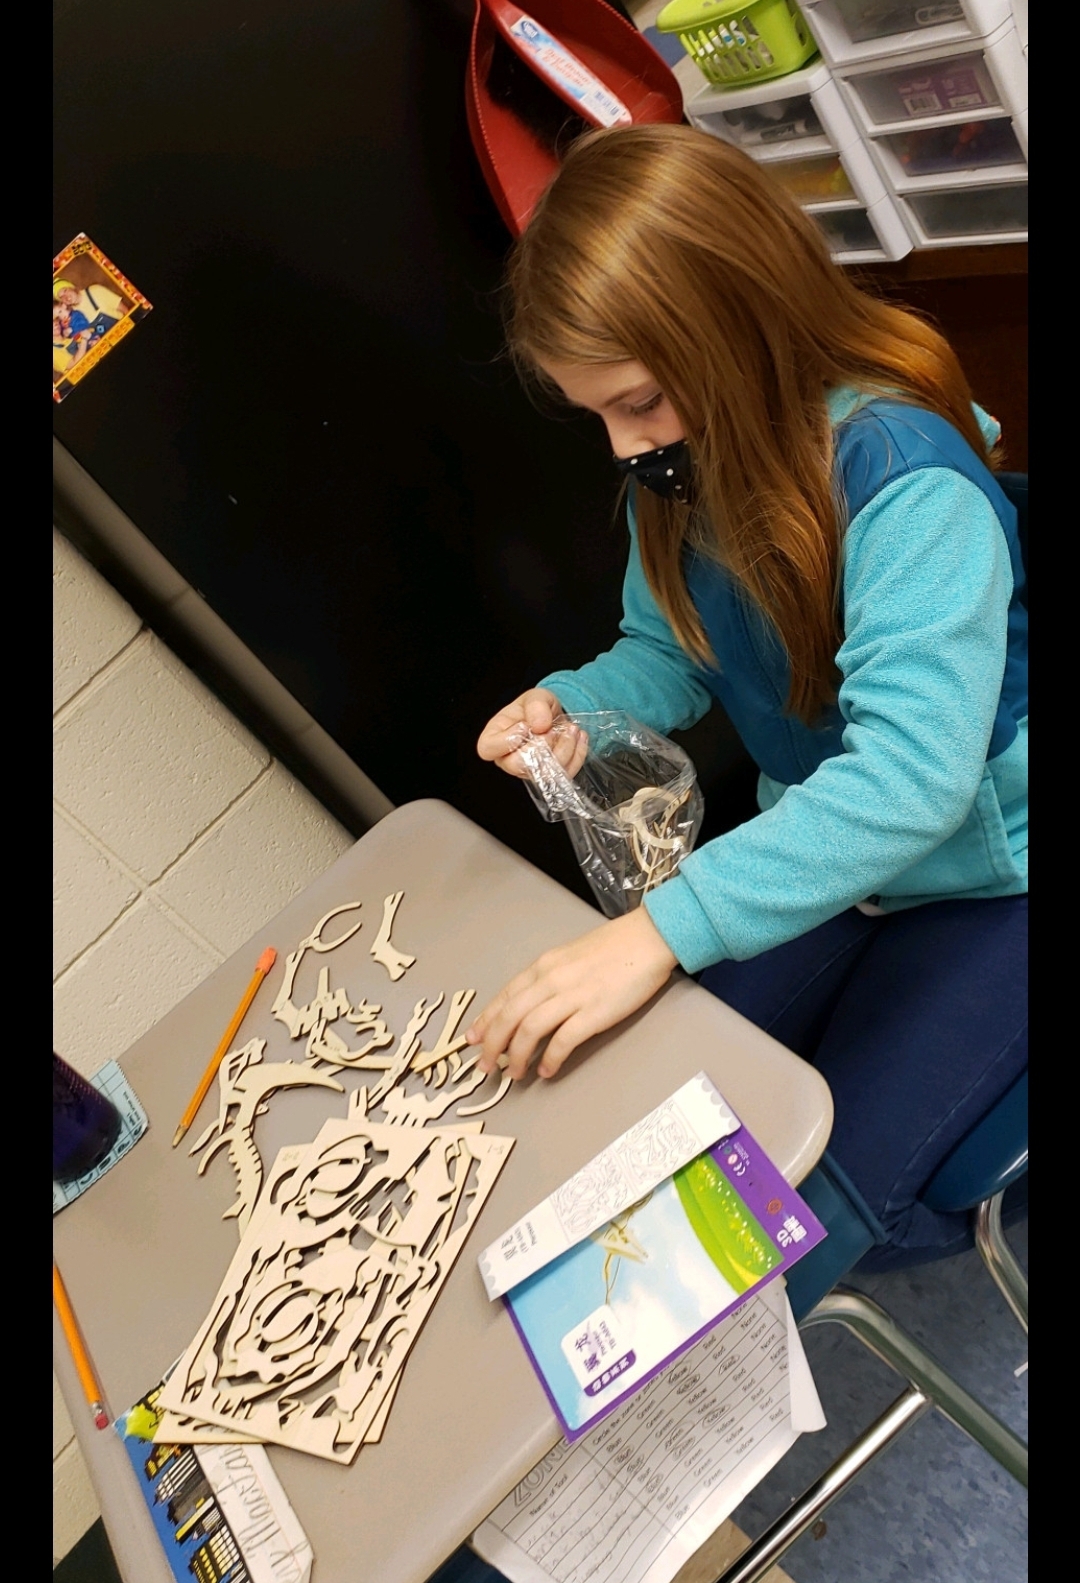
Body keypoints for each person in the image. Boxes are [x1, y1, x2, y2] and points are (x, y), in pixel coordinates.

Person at [465, 124, 1027, 1268]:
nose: (626, 448)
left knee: (815, 1210)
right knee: (664, 1084)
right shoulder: (677, 480)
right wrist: (575, 705)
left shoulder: (901, 483)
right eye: (601, 419)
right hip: (854, 856)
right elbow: (666, 650)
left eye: (641, 403)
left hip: (996, 865)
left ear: (742, 332)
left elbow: (913, 782)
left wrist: (661, 930)